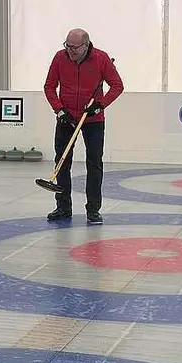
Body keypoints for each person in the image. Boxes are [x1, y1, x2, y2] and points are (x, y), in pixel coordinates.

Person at [42, 27, 124, 223]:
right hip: (67, 118)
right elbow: (49, 86)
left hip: (93, 120)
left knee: (94, 163)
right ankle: (63, 206)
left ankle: (93, 209)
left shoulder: (101, 58)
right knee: (62, 161)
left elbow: (117, 85)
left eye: (74, 48)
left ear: (86, 45)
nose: (70, 51)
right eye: (67, 46)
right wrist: (59, 110)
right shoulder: (60, 58)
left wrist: (100, 105)